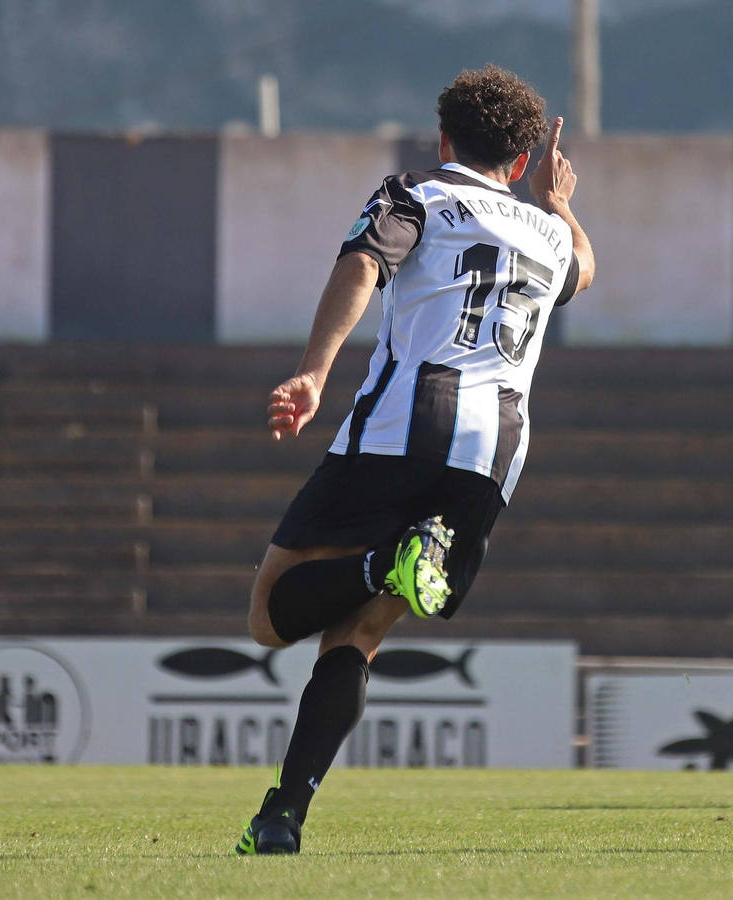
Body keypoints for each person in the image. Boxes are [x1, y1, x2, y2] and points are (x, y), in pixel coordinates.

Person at [233, 64, 594, 855]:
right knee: (357, 638)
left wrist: (315, 372)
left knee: (270, 617)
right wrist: (560, 203)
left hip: (406, 422)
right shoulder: (545, 232)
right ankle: (282, 815)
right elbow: (585, 271)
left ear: (444, 138)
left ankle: (383, 564)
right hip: (494, 454)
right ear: (526, 159)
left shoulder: (417, 193)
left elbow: (365, 262)